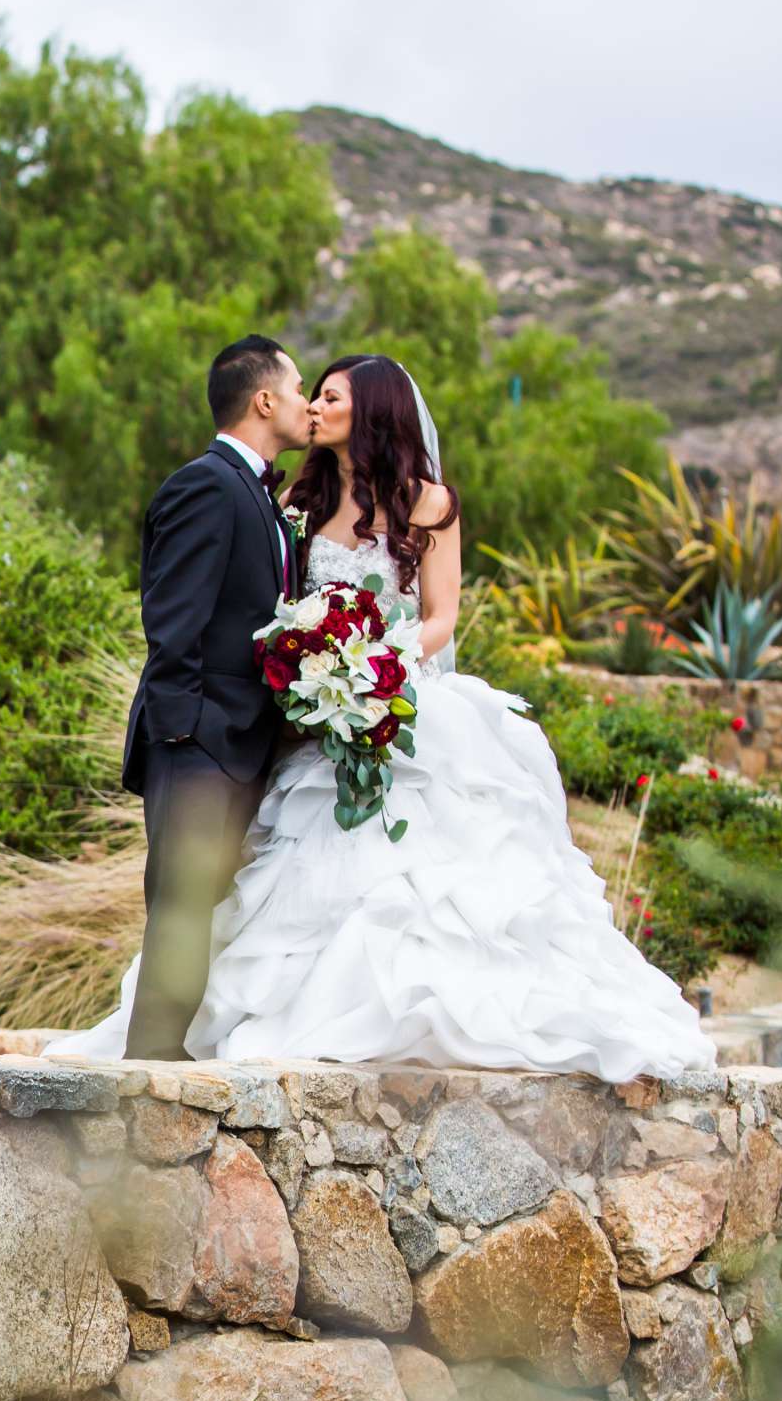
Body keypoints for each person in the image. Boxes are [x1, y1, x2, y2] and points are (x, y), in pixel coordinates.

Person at [53, 354, 714, 1081]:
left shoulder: (427, 502)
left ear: (367, 411)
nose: (313, 407)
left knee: (417, 885)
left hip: (398, 699)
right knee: (259, 880)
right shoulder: (297, 505)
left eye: (328, 397)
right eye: (310, 393)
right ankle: (193, 1034)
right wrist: (317, 674)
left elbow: (442, 617)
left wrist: (375, 665)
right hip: (308, 723)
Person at [105, 335, 311, 1063]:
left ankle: (165, 1059)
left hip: (239, 743)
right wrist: (182, 736)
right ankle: (149, 1067)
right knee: (181, 905)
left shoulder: (258, 491)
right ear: (264, 400)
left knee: (203, 905)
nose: (308, 404)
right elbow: (173, 622)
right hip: (199, 742)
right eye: (298, 390)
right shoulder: (206, 484)